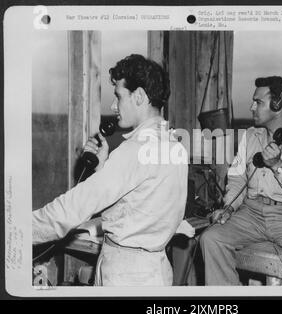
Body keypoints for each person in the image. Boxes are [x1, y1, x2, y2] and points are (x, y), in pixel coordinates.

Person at [33, 54, 189, 286]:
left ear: (138, 96)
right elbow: (140, 203)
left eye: (118, 96)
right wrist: (104, 167)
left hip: (125, 274)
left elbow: (72, 208)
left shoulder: (134, 150)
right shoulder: (175, 145)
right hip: (156, 269)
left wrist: (19, 229)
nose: (113, 106)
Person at [200, 76, 282, 285]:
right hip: (252, 213)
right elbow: (238, 177)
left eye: (258, 102)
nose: (251, 107)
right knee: (210, 239)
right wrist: (228, 208)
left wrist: (278, 165)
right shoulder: (250, 136)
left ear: (277, 105)